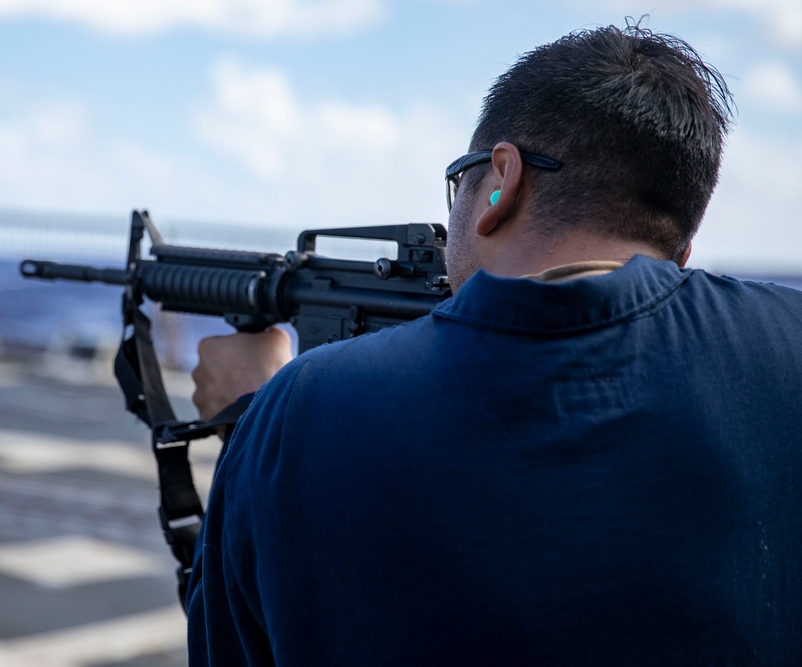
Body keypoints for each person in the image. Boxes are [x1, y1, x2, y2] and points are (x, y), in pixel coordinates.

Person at [186, 21, 802, 665]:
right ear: (681, 252)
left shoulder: (297, 410)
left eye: (460, 183)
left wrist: (251, 418)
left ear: (501, 182)